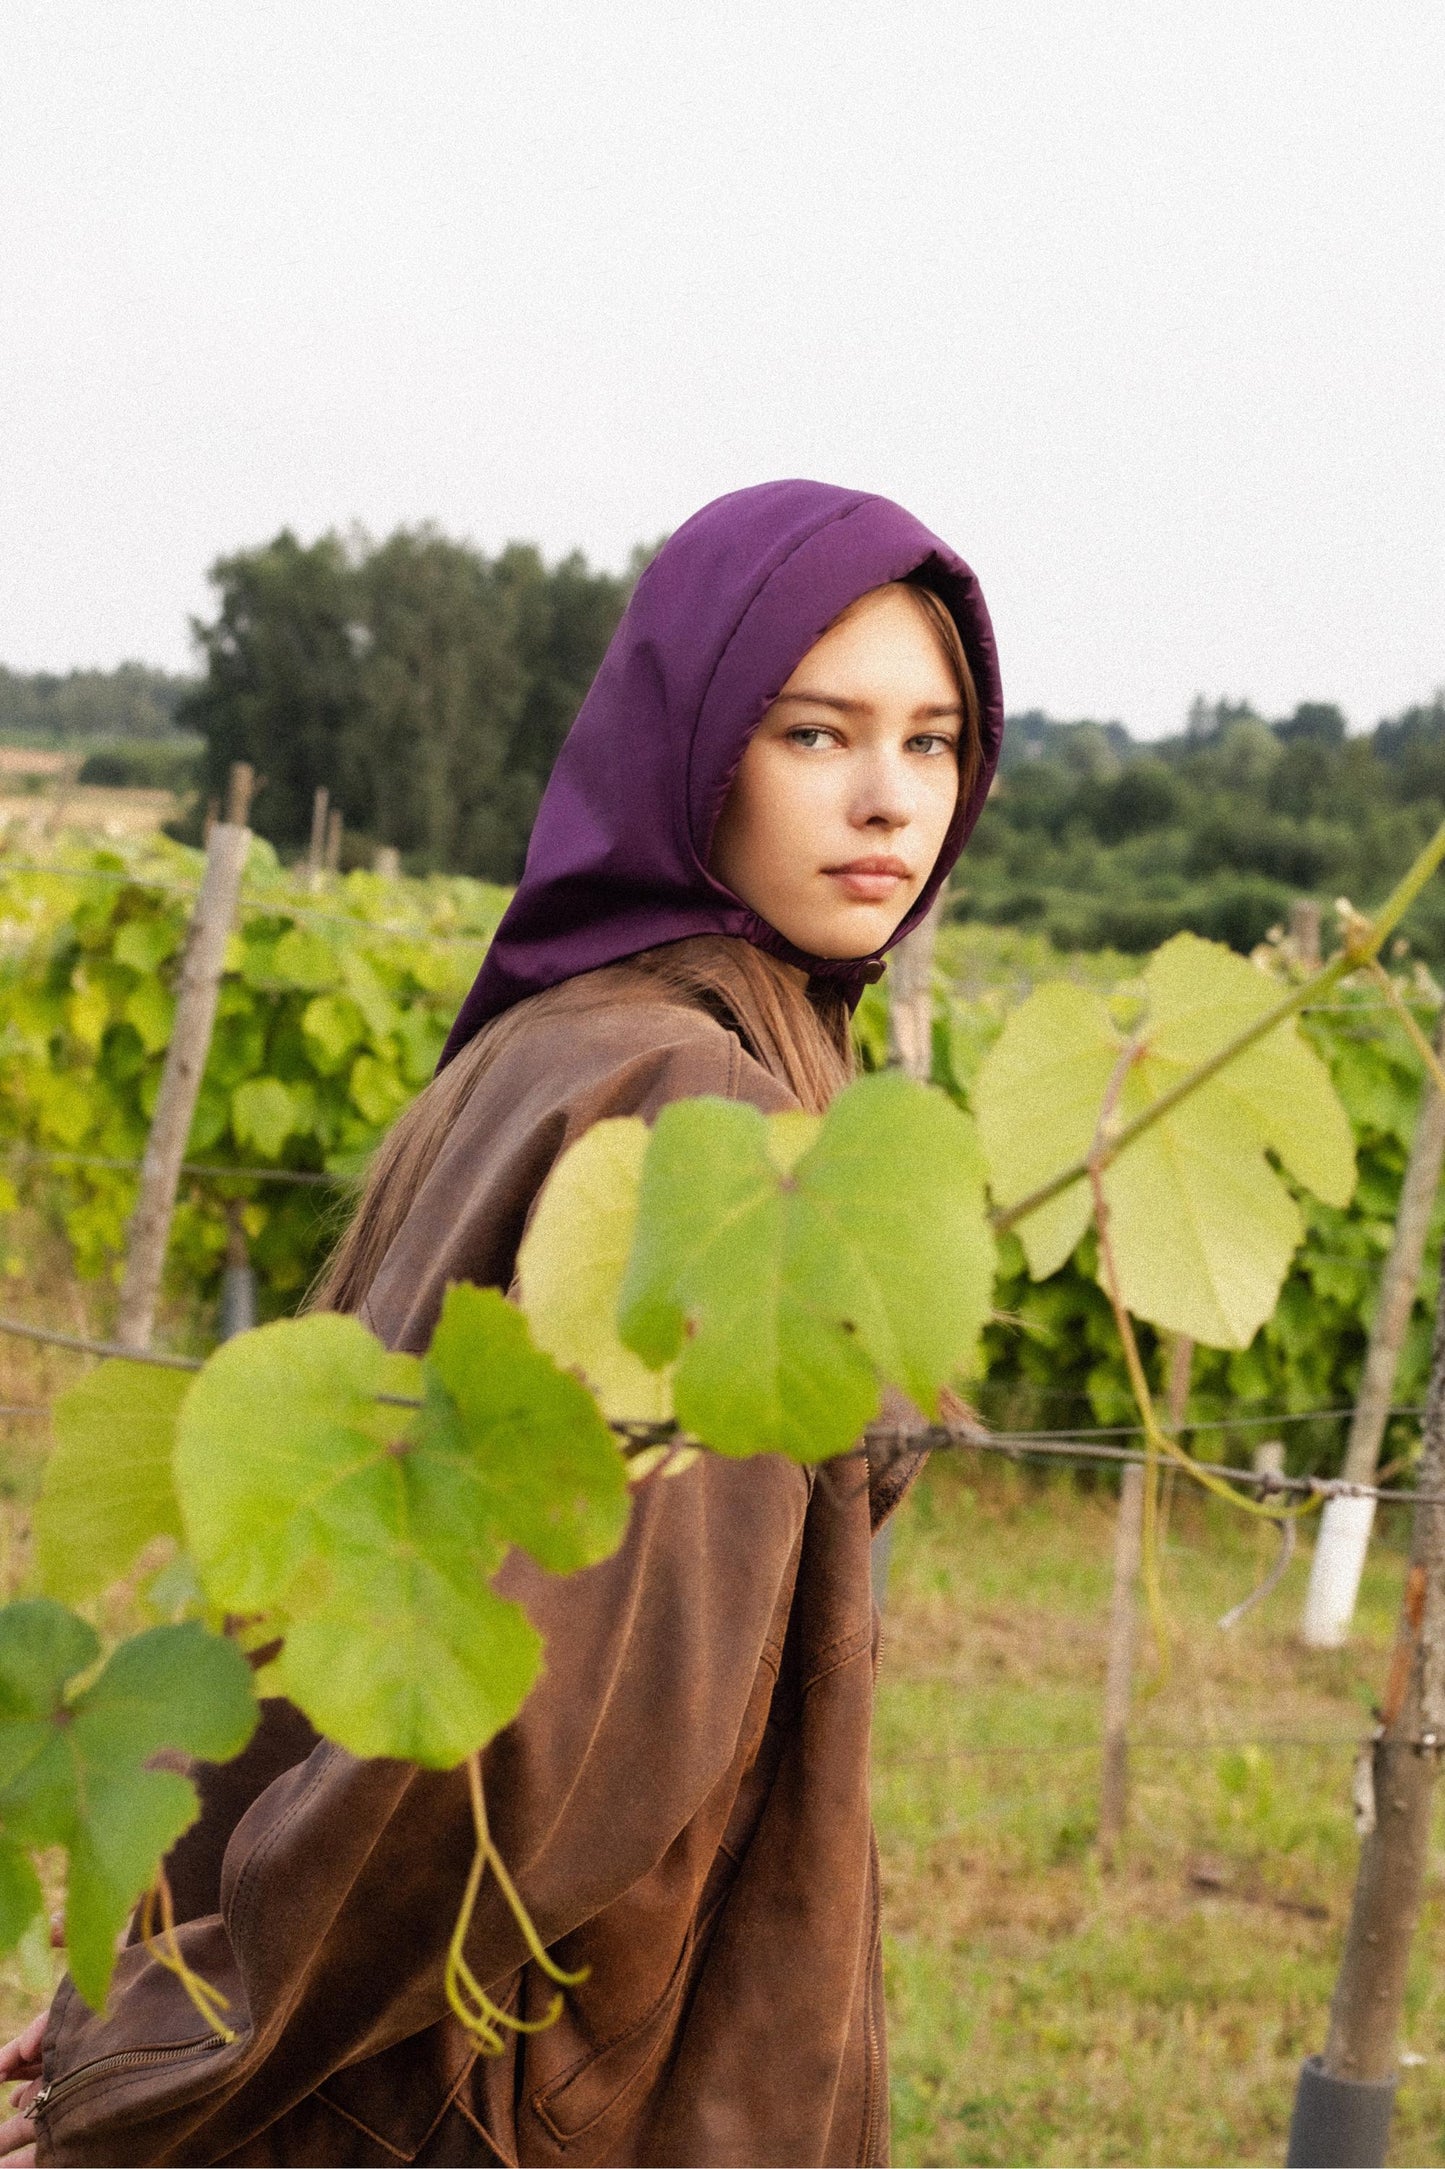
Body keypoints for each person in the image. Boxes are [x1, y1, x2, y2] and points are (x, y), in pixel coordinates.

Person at [1, 478, 1002, 2168]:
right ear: (695, 747)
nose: (889, 799)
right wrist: (177, 2059)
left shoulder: (568, 1033)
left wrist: (168, 1977)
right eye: (818, 732)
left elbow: (326, 1582)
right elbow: (535, 1760)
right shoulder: (695, 1098)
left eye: (935, 738)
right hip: (521, 2081)